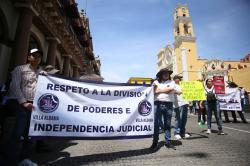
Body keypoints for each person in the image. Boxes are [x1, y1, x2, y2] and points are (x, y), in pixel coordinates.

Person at [4, 48, 44, 166]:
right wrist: (24, 103)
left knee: (31, 134)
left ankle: (25, 159)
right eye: (34, 55)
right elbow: (15, 87)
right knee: (18, 132)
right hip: (19, 103)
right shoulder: (19, 69)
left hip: (34, 105)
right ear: (29, 57)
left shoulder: (40, 72)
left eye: (39, 56)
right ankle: (9, 160)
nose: (37, 58)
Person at [150, 68, 176, 150]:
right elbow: (153, 92)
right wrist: (160, 90)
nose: (166, 74)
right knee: (156, 124)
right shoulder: (155, 82)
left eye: (167, 73)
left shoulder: (172, 82)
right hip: (157, 104)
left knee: (167, 124)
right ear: (161, 74)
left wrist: (159, 90)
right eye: (164, 73)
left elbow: (170, 89)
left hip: (169, 104)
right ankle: (155, 142)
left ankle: (167, 142)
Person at [173, 75, 190, 140]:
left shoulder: (183, 85)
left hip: (185, 103)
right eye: (179, 78)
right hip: (178, 104)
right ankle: (177, 133)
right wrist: (176, 92)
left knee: (184, 119)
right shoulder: (173, 85)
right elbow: (170, 90)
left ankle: (182, 132)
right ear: (175, 79)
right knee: (178, 119)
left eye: (180, 78)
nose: (180, 79)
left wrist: (188, 101)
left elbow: (187, 93)